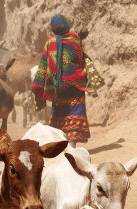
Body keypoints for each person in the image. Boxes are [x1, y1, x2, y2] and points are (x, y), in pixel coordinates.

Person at [31, 14, 103, 148]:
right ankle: (73, 144)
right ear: (66, 25)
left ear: (53, 27)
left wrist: (42, 83)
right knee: (75, 111)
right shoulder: (75, 39)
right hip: (75, 85)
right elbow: (80, 58)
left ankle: (60, 144)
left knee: (59, 113)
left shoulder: (50, 42)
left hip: (58, 88)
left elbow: (44, 64)